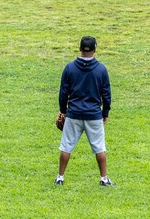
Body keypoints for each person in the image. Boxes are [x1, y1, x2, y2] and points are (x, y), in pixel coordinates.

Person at [54, 36, 114, 187]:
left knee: (66, 146)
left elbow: (63, 92)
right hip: (94, 115)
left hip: (73, 113)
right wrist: (105, 113)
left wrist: (63, 111)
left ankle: (60, 177)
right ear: (95, 49)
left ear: (80, 48)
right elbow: (106, 94)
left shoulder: (70, 68)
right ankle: (104, 179)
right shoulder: (101, 69)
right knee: (99, 147)